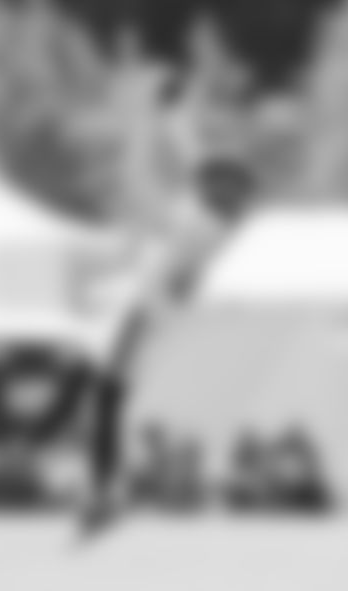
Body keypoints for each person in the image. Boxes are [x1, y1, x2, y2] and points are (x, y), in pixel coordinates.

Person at [74, 158, 258, 538]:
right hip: (151, 310)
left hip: (146, 311)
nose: (203, 189)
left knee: (107, 397)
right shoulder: (215, 225)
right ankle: (104, 491)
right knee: (108, 398)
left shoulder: (202, 224)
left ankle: (105, 492)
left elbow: (153, 191)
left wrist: (154, 136)